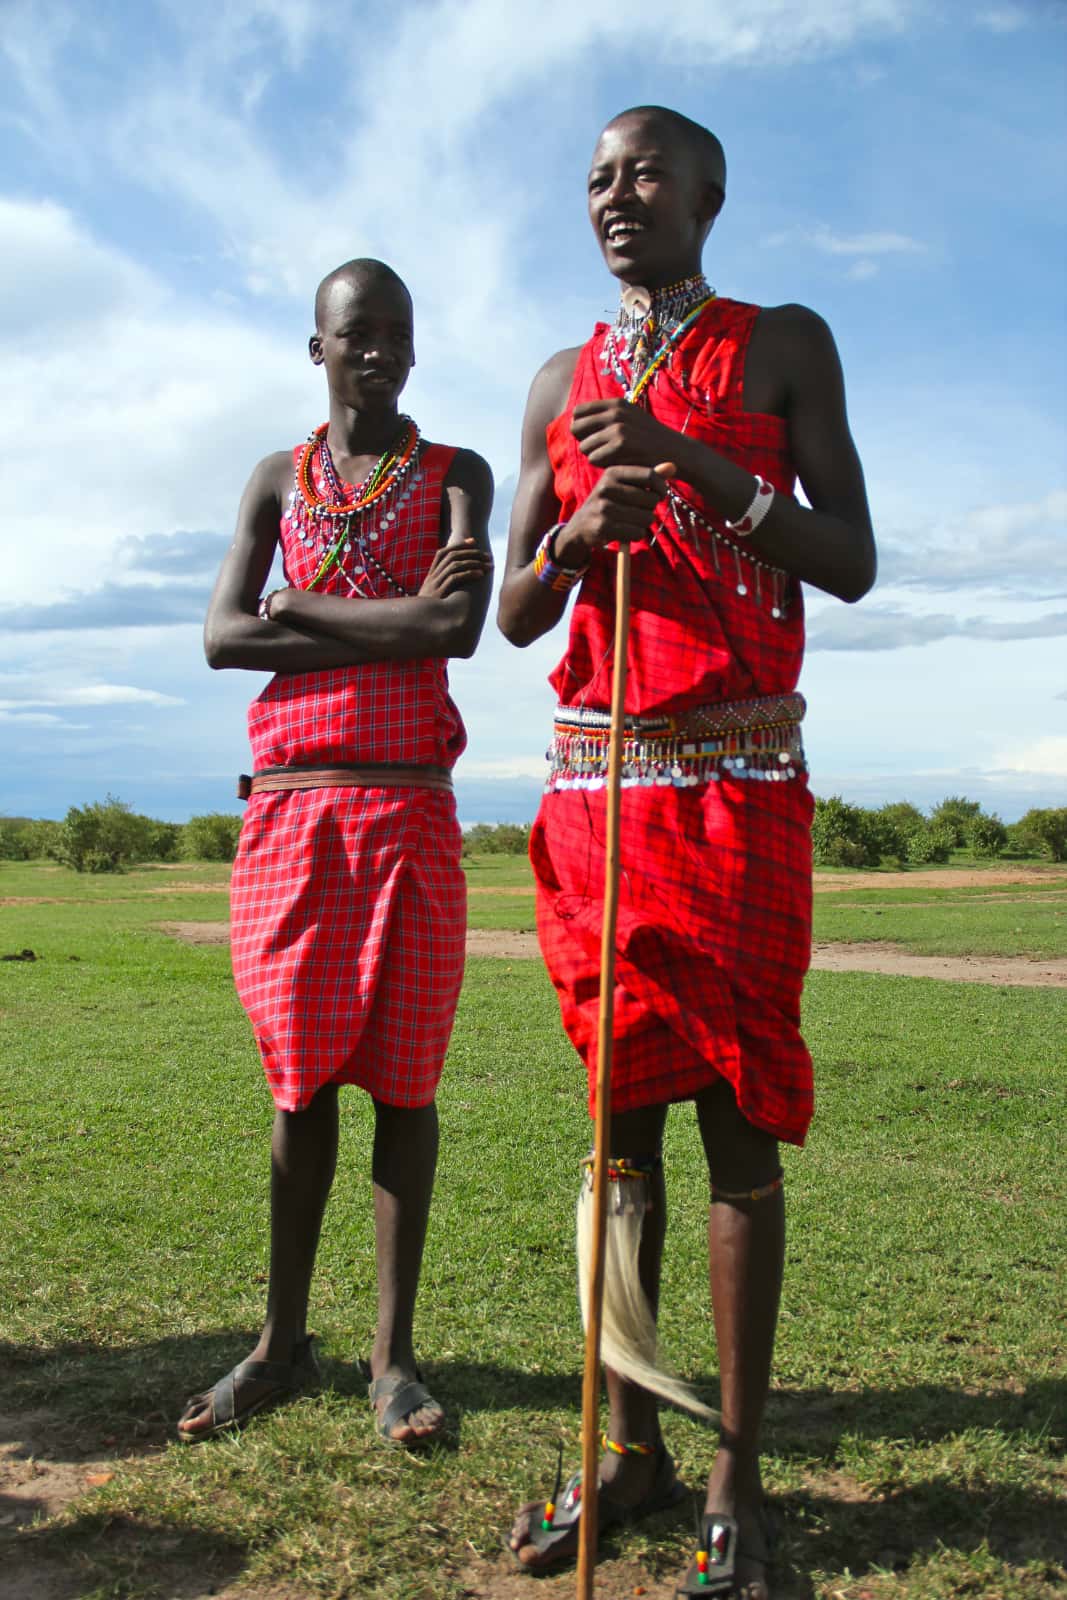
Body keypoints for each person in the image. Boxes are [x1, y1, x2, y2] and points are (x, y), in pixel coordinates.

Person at [498, 107, 875, 1595]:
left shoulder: (780, 341)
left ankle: (732, 1468)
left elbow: (845, 558)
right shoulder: (553, 379)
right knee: (616, 1135)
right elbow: (518, 615)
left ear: (709, 191)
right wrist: (583, 524)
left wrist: (690, 466)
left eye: (643, 171)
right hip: (595, 794)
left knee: (734, 1126)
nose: (615, 196)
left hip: (734, 779)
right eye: (594, 179)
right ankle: (630, 1448)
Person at [179, 258, 493, 1448]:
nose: (380, 350)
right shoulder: (276, 476)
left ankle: (392, 1359)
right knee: (298, 1082)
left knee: (404, 1083)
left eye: (397, 333)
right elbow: (220, 635)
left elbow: (453, 626)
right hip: (291, 812)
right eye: (356, 333)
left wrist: (299, 610)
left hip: (408, 807)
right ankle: (279, 1341)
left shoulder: (456, 474)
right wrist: (373, 618)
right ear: (315, 346)